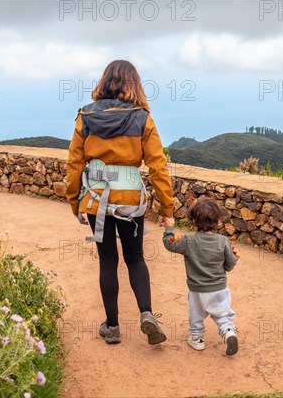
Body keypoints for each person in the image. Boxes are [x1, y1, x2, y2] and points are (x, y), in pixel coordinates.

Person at [65, 60, 175, 345]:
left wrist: (74, 200)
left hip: (95, 197)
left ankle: (112, 327)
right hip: (129, 199)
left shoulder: (85, 116)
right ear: (133, 84)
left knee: (107, 259)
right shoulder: (142, 117)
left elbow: (74, 162)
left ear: (104, 81)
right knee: (135, 257)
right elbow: (157, 166)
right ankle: (147, 313)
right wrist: (167, 209)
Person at [162, 197, 240, 356]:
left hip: (197, 290)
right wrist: (230, 261)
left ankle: (197, 340)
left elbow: (169, 244)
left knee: (196, 315)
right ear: (217, 220)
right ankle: (228, 332)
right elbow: (230, 265)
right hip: (219, 288)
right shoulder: (223, 241)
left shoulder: (189, 241)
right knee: (223, 315)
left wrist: (169, 228)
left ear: (194, 221)